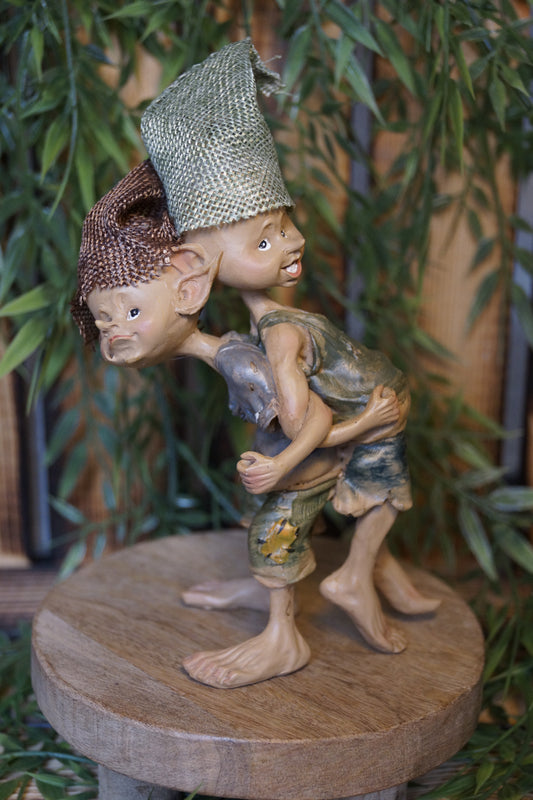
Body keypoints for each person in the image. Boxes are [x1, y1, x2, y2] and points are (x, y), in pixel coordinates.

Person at [141, 39, 439, 689]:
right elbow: (306, 420)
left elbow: (311, 425)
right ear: (200, 267)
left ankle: (353, 581)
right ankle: (343, 581)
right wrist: (357, 427)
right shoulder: (267, 335)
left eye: (285, 225)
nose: (294, 240)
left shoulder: (274, 333)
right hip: (378, 409)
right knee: (374, 493)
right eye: (266, 239)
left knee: (371, 493)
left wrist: (349, 432)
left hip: (378, 415)